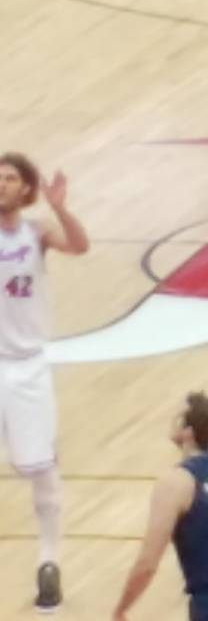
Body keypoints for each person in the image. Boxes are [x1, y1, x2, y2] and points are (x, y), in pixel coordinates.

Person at [0, 152, 86, 616]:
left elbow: (81, 245)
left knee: (42, 471)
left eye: (10, 178)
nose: (1, 184)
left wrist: (61, 208)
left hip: (27, 366)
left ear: (26, 188)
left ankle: (49, 563)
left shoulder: (37, 233)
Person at [110, 392, 208, 621]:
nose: (171, 419)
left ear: (188, 433)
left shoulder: (176, 482)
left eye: (177, 417)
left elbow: (147, 564)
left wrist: (121, 608)